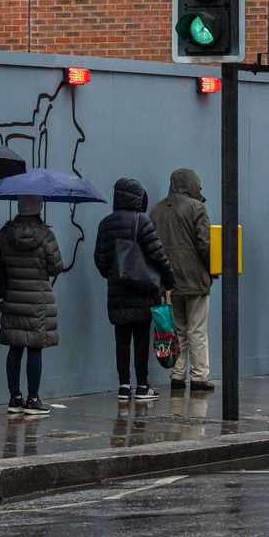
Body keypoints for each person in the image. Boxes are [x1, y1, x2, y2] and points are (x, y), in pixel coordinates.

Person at [95, 178, 174, 401]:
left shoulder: (106, 223)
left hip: (118, 291)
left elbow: (100, 258)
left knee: (121, 340)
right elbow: (158, 254)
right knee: (141, 340)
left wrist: (112, 274)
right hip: (142, 290)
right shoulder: (143, 221)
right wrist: (168, 280)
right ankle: (142, 386)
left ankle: (123, 385)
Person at [0, 195, 63, 416]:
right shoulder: (46, 235)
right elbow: (56, 267)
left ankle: (14, 398)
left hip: (13, 297)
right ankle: (33, 399)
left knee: (15, 347)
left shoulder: (6, 234)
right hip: (38, 300)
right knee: (35, 348)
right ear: (39, 208)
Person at [150, 168, 214, 392]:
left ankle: (177, 375)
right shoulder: (197, 208)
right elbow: (206, 245)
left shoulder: (157, 210)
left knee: (177, 330)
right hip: (195, 281)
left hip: (168, 282)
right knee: (196, 330)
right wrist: (211, 271)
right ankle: (198, 377)